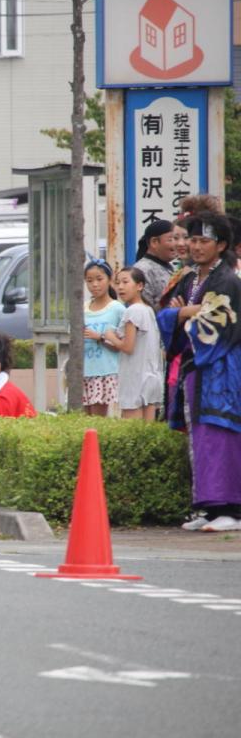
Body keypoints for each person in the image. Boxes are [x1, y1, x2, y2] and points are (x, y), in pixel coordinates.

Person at [158, 213, 241, 532]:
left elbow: (211, 324)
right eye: (192, 239)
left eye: (204, 241)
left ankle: (231, 509)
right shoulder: (189, 278)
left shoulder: (227, 281)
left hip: (221, 367)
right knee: (200, 437)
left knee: (220, 432)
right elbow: (167, 314)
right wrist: (183, 312)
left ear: (221, 245)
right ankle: (209, 507)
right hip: (195, 366)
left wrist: (182, 314)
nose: (195, 246)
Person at [104, 268, 164, 421]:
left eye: (125, 282)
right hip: (151, 379)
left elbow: (128, 347)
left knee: (133, 430)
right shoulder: (148, 310)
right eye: (118, 283)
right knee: (147, 431)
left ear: (140, 286)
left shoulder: (133, 311)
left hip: (135, 379)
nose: (120, 287)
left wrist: (110, 336)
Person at [82, 259, 125, 417]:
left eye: (99, 279)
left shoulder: (117, 309)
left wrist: (99, 337)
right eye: (89, 280)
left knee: (97, 421)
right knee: (82, 421)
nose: (95, 284)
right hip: (83, 371)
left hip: (104, 371)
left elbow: (124, 345)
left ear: (110, 279)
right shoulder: (83, 307)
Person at [133, 220, 176, 308]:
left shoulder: (170, 267)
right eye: (171, 239)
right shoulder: (142, 269)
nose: (177, 244)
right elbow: (145, 309)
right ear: (154, 242)